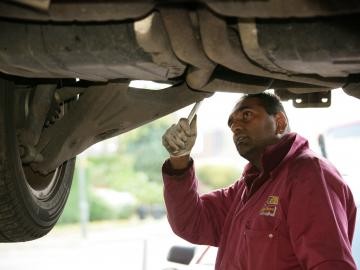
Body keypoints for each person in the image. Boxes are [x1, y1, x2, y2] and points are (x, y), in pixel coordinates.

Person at [161, 92, 357, 270]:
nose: (236, 126)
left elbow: (330, 264)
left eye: (246, 115)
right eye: (232, 123)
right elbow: (191, 222)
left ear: (279, 122)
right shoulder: (247, 188)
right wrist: (180, 158)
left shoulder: (309, 175)